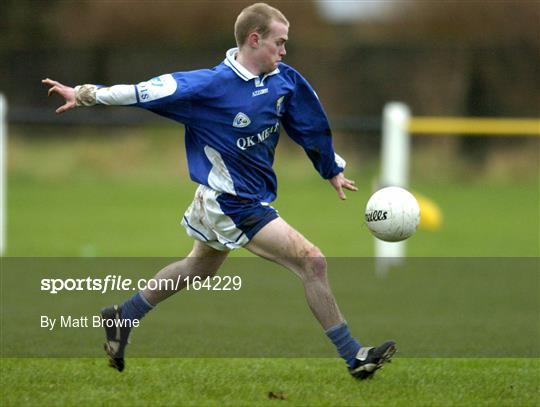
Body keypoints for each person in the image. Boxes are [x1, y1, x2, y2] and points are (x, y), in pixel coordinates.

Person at [42, 2, 395, 380]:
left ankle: (122, 316)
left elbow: (309, 123)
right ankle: (353, 356)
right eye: (280, 42)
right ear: (254, 39)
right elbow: (141, 92)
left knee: (198, 267)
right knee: (312, 261)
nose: (284, 50)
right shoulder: (207, 86)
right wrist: (84, 93)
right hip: (231, 202)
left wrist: (330, 168)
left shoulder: (284, 81)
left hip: (234, 199)